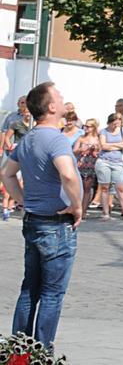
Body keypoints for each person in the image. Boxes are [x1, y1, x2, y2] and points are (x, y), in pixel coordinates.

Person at [1, 82, 82, 349]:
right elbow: (68, 173)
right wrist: (76, 204)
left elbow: (7, 174)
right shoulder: (56, 139)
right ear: (50, 106)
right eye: (58, 96)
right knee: (51, 293)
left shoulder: (28, 139)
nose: (62, 99)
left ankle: (19, 350)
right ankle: (42, 351)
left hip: (34, 220)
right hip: (56, 224)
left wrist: (24, 200)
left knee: (30, 289)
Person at [94, 113, 123, 220]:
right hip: (104, 161)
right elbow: (103, 145)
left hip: (118, 162)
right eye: (116, 120)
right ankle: (105, 213)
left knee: (120, 187)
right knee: (105, 187)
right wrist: (118, 145)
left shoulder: (122, 131)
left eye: (119, 120)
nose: (117, 122)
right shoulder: (104, 131)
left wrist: (111, 146)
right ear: (111, 121)